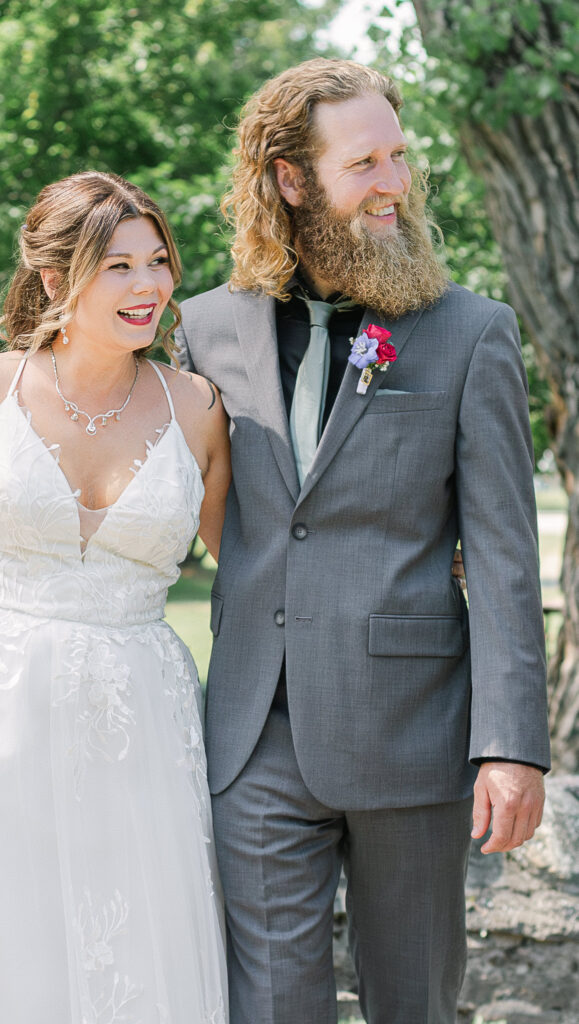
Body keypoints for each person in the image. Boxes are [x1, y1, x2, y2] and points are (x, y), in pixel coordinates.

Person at [175, 58, 551, 1024]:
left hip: (413, 735)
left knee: (412, 1006)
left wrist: (511, 747)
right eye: (363, 164)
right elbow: (151, 495)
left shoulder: (472, 334)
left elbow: (506, 556)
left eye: (397, 156)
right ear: (289, 179)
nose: (393, 183)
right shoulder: (200, 333)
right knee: (268, 1008)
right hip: (252, 737)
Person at [0, 171, 231, 1023]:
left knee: (131, 955)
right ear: (55, 279)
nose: (149, 284)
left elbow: (253, 565)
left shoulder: (196, 409)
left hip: (141, 727)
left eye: (157, 261)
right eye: (118, 265)